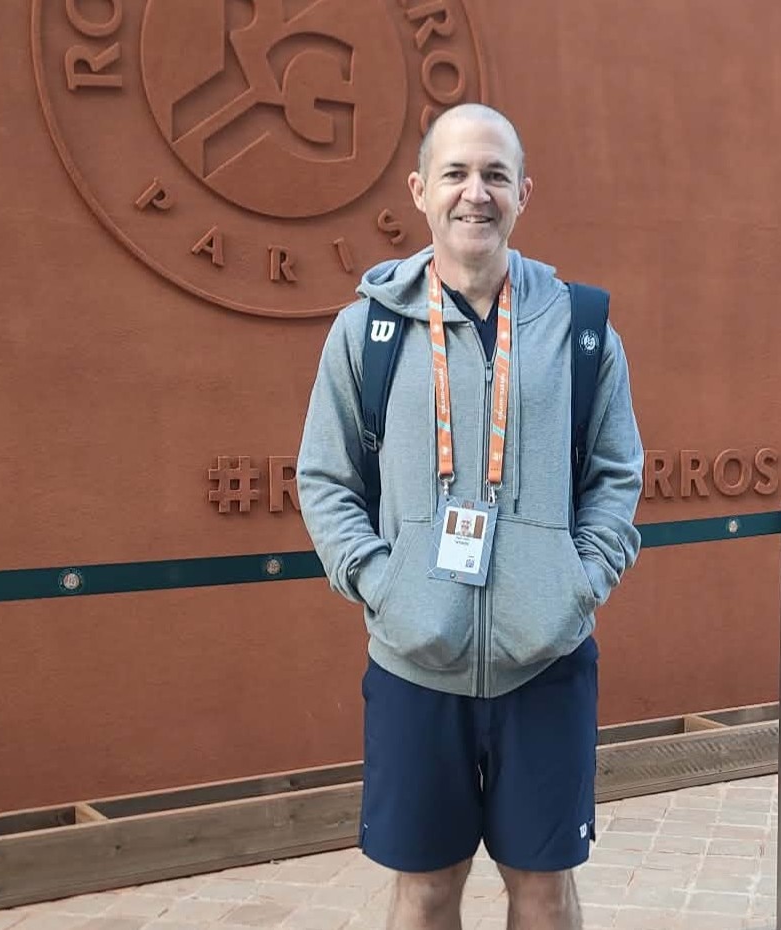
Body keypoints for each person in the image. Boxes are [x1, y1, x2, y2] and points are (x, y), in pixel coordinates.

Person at [297, 103, 643, 930]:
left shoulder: (580, 329)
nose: (475, 193)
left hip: (546, 665)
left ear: (523, 192)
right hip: (414, 666)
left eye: (494, 175)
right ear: (420, 190)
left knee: (543, 891)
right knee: (423, 891)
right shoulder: (366, 331)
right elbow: (325, 478)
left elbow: (616, 475)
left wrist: (577, 583)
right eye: (455, 173)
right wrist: (382, 585)